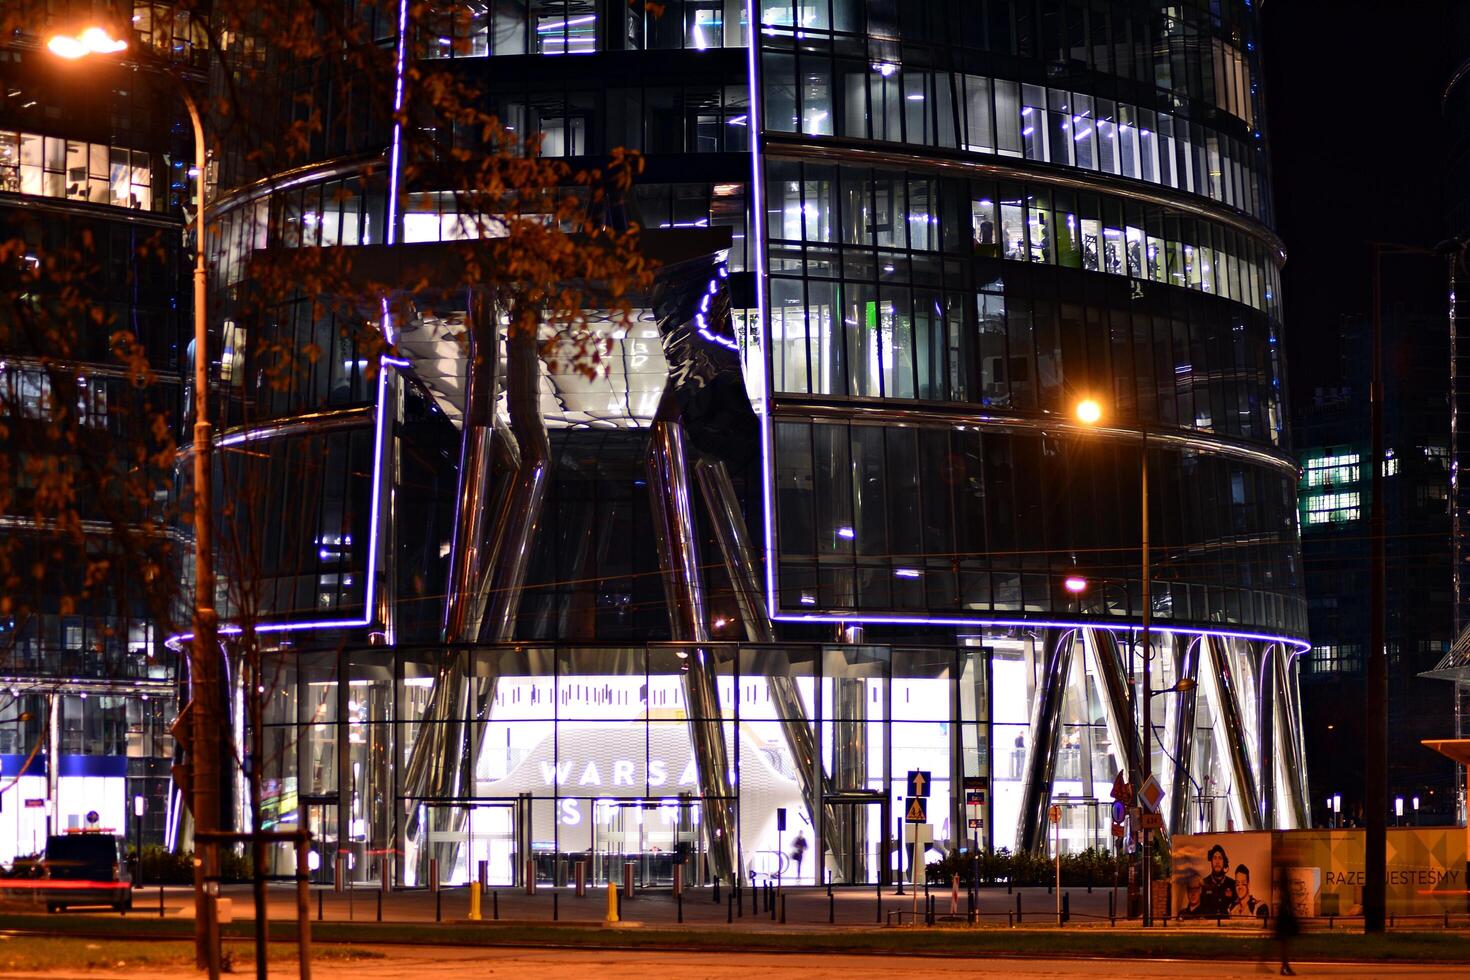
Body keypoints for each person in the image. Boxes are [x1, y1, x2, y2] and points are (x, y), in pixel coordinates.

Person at [1199, 843, 1238, 916]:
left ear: (1224, 862)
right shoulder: (1203, 884)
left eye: (1220, 858)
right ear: (1211, 861)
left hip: (1227, 926)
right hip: (1209, 926)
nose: (1217, 862)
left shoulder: (1232, 884)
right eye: (1215, 858)